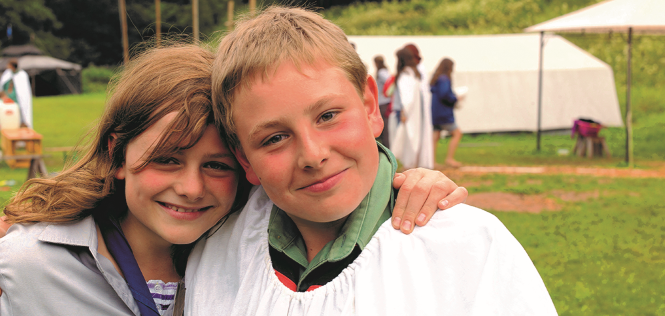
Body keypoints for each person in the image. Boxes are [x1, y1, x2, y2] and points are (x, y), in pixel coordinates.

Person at [0, 47, 471, 316]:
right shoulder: (22, 266)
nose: (192, 188)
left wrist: (413, 180)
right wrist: (6, 230)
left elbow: (327, 171)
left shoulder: (245, 241)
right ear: (116, 156)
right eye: (167, 160)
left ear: (244, 167)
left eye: (215, 165)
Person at [184, 6, 555, 314]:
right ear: (244, 160)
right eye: (275, 138)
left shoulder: (471, 249)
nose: (313, 155)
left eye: (328, 116)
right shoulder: (217, 252)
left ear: (369, 106)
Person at [390, 47, 434, 169]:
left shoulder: (406, 74)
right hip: (414, 112)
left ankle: (409, 165)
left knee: (408, 139)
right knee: (412, 138)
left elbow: (407, 97)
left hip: (406, 111)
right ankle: (411, 164)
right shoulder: (414, 73)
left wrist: (404, 112)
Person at [430, 58, 464, 168]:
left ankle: (432, 161)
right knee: (457, 133)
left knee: (435, 136)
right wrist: (455, 98)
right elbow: (444, 94)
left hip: (435, 112)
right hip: (444, 113)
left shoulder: (436, 79)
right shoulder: (444, 79)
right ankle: (449, 159)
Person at [0, 59, 33, 128]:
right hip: (7, 98)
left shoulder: (22, 75)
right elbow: (2, 86)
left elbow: (23, 91)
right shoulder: (7, 73)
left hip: (17, 99)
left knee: (18, 114)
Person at [373, 55, 392, 148]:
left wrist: (386, 92)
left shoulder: (381, 72)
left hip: (383, 103)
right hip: (384, 102)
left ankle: (386, 147)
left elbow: (390, 81)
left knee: (383, 128)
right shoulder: (385, 70)